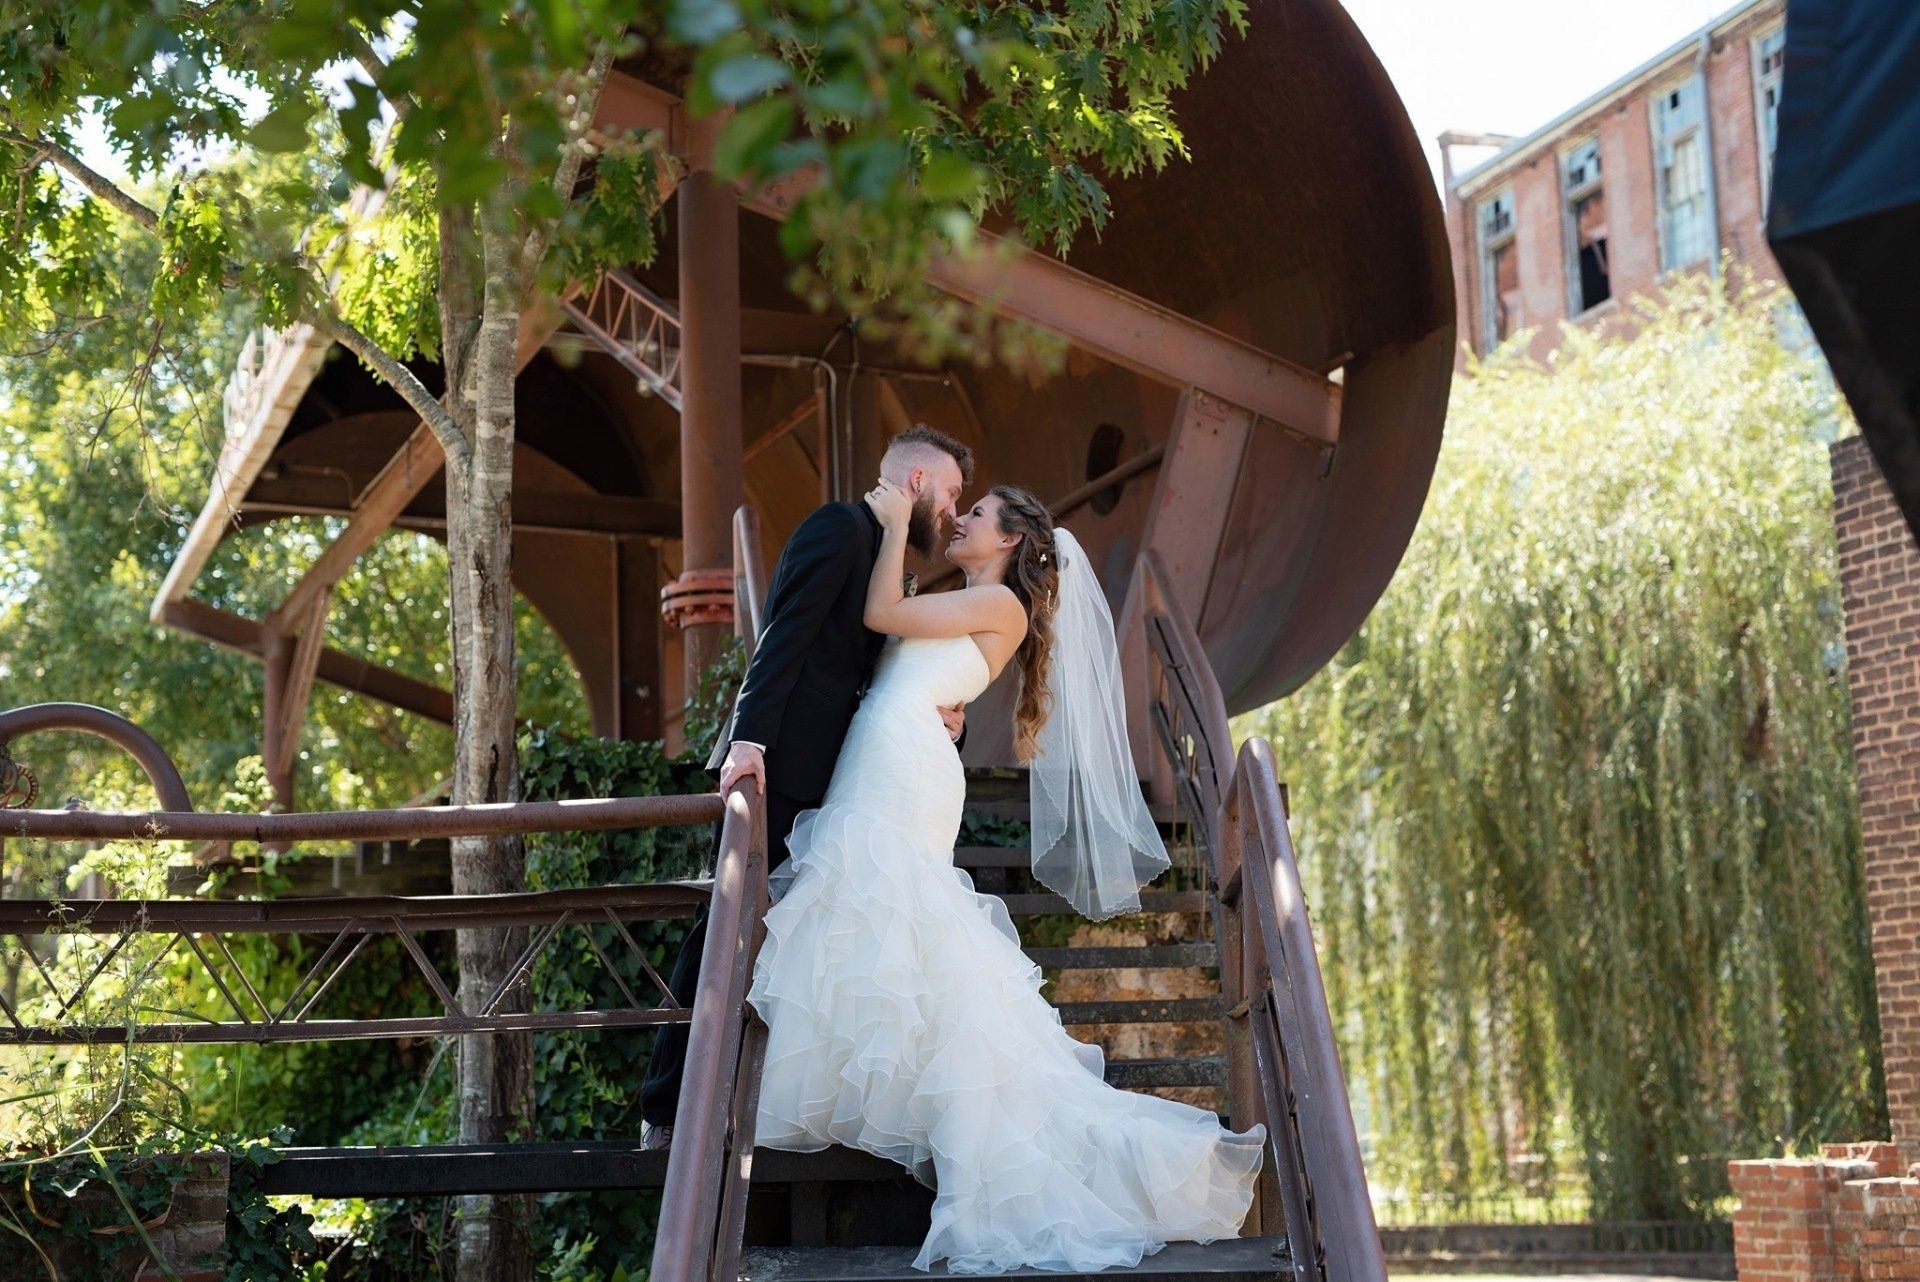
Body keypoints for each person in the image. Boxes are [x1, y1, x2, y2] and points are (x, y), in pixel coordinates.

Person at [746, 478, 1267, 1274]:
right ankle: (877, 1083)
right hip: (883, 752)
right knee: (868, 911)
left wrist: (891, 524)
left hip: (903, 771)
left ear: (1011, 541)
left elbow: (882, 613)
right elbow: (895, 654)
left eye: (978, 514)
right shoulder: (968, 597)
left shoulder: (1002, 607)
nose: (960, 521)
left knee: (890, 902)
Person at [638, 426, 974, 1149]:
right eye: (949, 494)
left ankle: (757, 1102)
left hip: (844, 785)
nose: (951, 511)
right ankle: (666, 1110)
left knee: (794, 946)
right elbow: (783, 636)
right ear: (916, 483)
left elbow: (881, 674)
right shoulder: (838, 529)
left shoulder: (883, 554)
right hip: (782, 771)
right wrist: (748, 741)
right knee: (723, 932)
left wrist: (946, 714)